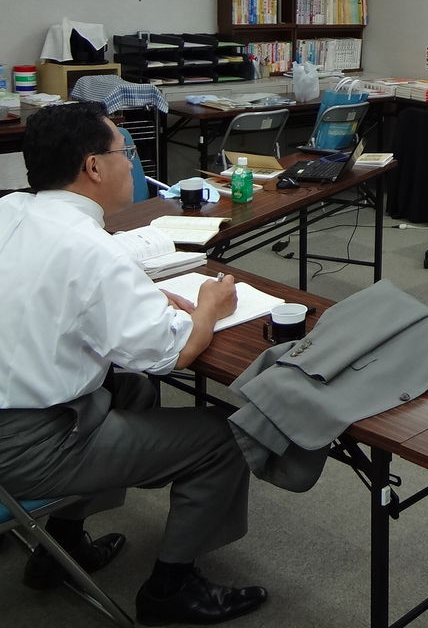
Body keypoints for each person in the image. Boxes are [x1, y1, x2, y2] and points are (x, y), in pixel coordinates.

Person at [0, 102, 267, 625]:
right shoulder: (90, 250)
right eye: (125, 152)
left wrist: (137, 297)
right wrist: (210, 306)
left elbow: (41, 294)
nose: (130, 163)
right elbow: (172, 354)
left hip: (16, 411)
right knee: (224, 437)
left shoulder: (10, 210)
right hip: (26, 445)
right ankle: (171, 589)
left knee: (133, 392)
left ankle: (62, 546)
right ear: (93, 167)